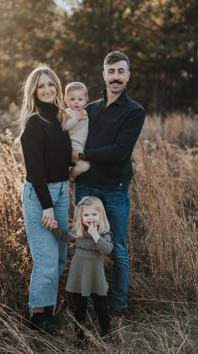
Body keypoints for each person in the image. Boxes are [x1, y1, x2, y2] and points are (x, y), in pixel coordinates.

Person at [74, 51, 146, 315]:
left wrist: (85, 157)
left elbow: (119, 152)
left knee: (117, 250)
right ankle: (91, 302)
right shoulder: (89, 109)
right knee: (87, 246)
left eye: (120, 72)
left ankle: (118, 305)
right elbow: (78, 140)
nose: (115, 77)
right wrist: (77, 162)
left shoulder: (134, 111)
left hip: (114, 189)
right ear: (103, 75)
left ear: (127, 76)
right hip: (85, 188)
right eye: (111, 71)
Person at [19, 65, 72, 334]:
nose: (48, 89)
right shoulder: (33, 123)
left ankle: (48, 309)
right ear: (34, 91)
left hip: (62, 191)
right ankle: (37, 316)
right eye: (41, 86)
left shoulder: (62, 120)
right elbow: (36, 171)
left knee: (61, 256)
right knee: (47, 259)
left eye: (51, 84)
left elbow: (61, 158)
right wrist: (47, 207)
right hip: (40, 196)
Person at [50, 196, 113, 344]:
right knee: (79, 308)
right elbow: (65, 237)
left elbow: (108, 249)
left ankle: (107, 334)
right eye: (86, 215)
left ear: (101, 216)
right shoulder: (78, 232)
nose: (90, 218)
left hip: (95, 276)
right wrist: (53, 227)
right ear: (81, 217)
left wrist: (95, 235)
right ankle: (80, 337)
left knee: (101, 306)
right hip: (79, 274)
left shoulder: (103, 233)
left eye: (94, 214)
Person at [63, 82, 90, 179]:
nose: (76, 102)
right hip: (72, 147)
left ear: (86, 100)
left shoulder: (85, 112)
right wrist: (76, 119)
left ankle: (71, 175)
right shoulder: (67, 113)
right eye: (72, 99)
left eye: (80, 99)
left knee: (85, 166)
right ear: (66, 100)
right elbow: (65, 127)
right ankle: (66, 175)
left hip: (81, 148)